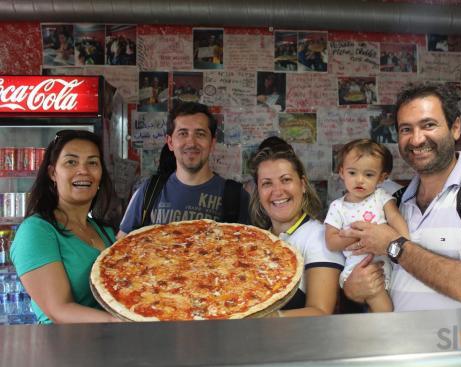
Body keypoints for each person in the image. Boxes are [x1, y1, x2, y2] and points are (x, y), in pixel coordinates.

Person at [342, 82, 461, 311]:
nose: (416, 140)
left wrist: (393, 246)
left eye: (428, 125)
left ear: (455, 127)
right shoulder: (394, 202)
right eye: (406, 129)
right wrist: (354, 289)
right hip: (400, 344)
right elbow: (376, 280)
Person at [248, 138, 390, 316]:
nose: (277, 191)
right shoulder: (257, 240)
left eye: (285, 180)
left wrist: (261, 319)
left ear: (303, 184)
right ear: (258, 191)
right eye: (267, 183)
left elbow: (321, 311)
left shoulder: (319, 236)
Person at [9, 130, 120, 324]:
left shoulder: (105, 231)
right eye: (71, 162)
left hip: (111, 346)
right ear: (53, 173)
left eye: (92, 162)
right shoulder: (36, 231)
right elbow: (59, 310)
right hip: (65, 350)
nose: (83, 171)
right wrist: (124, 323)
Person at [118, 102, 250, 237]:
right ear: (170, 143)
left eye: (200, 134)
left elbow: (250, 252)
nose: (191, 143)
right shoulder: (148, 191)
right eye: (183, 133)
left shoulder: (237, 196)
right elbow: (120, 246)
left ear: (212, 143)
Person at [324, 139, 408, 301]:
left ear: (381, 177)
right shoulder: (337, 207)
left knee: (390, 304)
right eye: (352, 173)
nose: (359, 180)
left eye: (368, 174)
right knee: (380, 305)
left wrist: (406, 242)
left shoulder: (381, 197)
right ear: (342, 172)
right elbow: (331, 242)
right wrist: (362, 235)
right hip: (356, 268)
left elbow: (395, 217)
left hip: (384, 265)